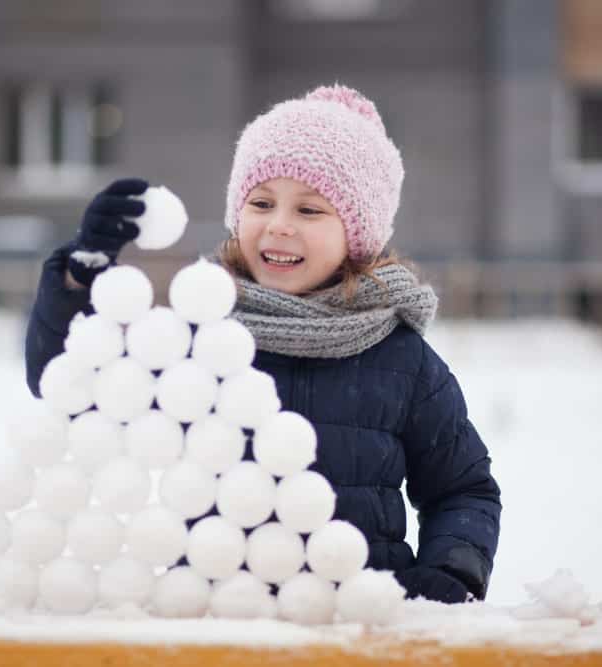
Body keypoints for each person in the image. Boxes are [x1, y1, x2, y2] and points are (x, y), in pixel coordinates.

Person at [25, 84, 500, 604]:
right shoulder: (192, 333)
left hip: (357, 625)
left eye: (310, 210)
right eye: (261, 202)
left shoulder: (401, 359)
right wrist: (81, 278)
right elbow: (70, 385)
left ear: (357, 234)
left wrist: (451, 573)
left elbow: (462, 488)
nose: (279, 225)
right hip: (211, 616)